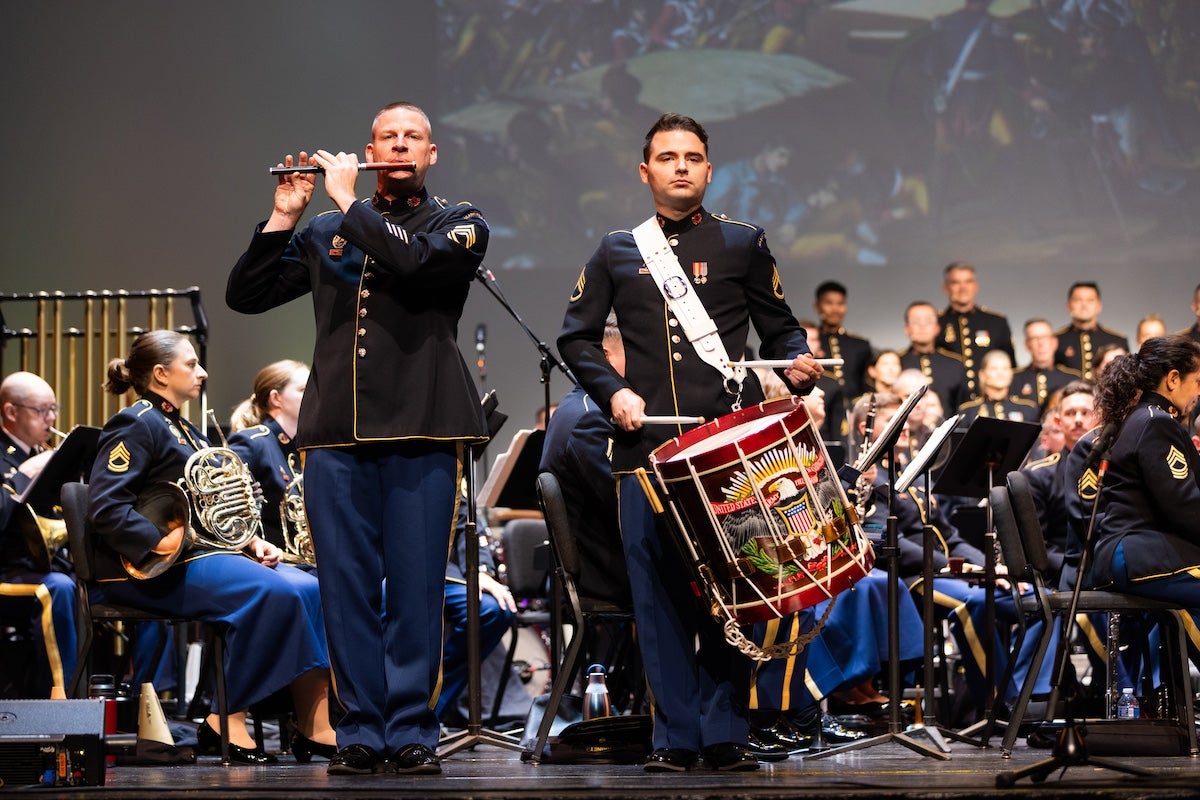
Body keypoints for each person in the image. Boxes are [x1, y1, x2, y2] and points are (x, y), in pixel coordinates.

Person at [226, 101, 490, 775]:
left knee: (414, 589)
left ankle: (410, 731)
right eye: (387, 137)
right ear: (369, 146)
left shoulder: (460, 224)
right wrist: (285, 215)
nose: (399, 146)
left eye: (413, 138)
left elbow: (413, 266)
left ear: (431, 155)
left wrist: (346, 202)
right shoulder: (323, 230)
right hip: (336, 435)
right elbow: (246, 295)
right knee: (343, 590)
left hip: (424, 427)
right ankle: (361, 729)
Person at [557, 112, 822, 772]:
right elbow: (576, 338)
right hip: (643, 456)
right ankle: (672, 738)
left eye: (693, 156)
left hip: (726, 456)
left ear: (710, 169)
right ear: (645, 171)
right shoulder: (618, 248)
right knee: (659, 599)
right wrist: (612, 392)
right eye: (667, 157)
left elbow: (781, 330)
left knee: (732, 594)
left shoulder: (744, 242)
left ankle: (726, 732)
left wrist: (795, 360)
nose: (681, 166)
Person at [86, 331, 335, 764]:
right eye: (191, 364)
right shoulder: (137, 421)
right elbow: (105, 506)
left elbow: (213, 506)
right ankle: (225, 720)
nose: (201, 372)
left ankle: (315, 726)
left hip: (201, 556)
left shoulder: (188, 429)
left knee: (312, 589)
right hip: (150, 568)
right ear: (161, 374)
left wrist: (253, 540)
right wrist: (156, 541)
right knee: (270, 593)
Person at [1090, 335, 1200, 607]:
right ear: (1173, 379)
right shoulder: (1156, 423)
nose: (1199, 392)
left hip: (1135, 552)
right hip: (1136, 553)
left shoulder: (1142, 418)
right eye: (1197, 381)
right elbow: (1184, 505)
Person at [0, 372, 75, 696]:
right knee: (56, 589)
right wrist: (22, 477)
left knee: (124, 584)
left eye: (53, 409)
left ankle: (143, 698)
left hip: (43, 565)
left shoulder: (42, 454)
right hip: (7, 569)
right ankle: (62, 700)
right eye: (41, 410)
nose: (51, 418)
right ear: (11, 412)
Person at [227, 360, 309, 554]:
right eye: (303, 390)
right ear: (276, 398)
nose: (313, 397)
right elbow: (231, 510)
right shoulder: (252, 442)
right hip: (268, 558)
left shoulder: (300, 446)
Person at [936, 261, 1015, 398]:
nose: (963, 288)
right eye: (956, 283)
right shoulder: (937, 323)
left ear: (975, 286)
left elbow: (1010, 365)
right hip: (951, 401)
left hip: (988, 402)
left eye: (968, 282)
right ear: (946, 288)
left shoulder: (996, 322)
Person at [899, 301, 970, 416]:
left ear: (937, 328)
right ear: (907, 329)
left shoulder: (954, 364)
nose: (922, 326)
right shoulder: (898, 362)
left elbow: (964, 407)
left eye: (928, 320)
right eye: (915, 321)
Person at [1054, 281, 1129, 382]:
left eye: (1090, 300)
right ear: (1068, 306)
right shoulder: (1055, 340)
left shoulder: (1117, 340)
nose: (1084, 305)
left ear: (1099, 306)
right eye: (1078, 300)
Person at [813, 280, 873, 405]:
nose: (835, 309)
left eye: (840, 303)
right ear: (817, 306)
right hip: (820, 407)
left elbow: (867, 383)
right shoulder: (809, 342)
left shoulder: (859, 344)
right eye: (829, 303)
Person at [1011, 318, 1078, 413]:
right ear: (1027, 345)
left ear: (1054, 342)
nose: (1041, 343)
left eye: (1045, 337)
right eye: (1035, 338)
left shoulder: (1072, 379)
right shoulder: (1013, 379)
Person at [955, 350, 1039, 423]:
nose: (1000, 373)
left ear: (1011, 374)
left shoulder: (1028, 409)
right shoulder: (968, 411)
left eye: (1005, 368)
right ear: (982, 375)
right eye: (994, 369)